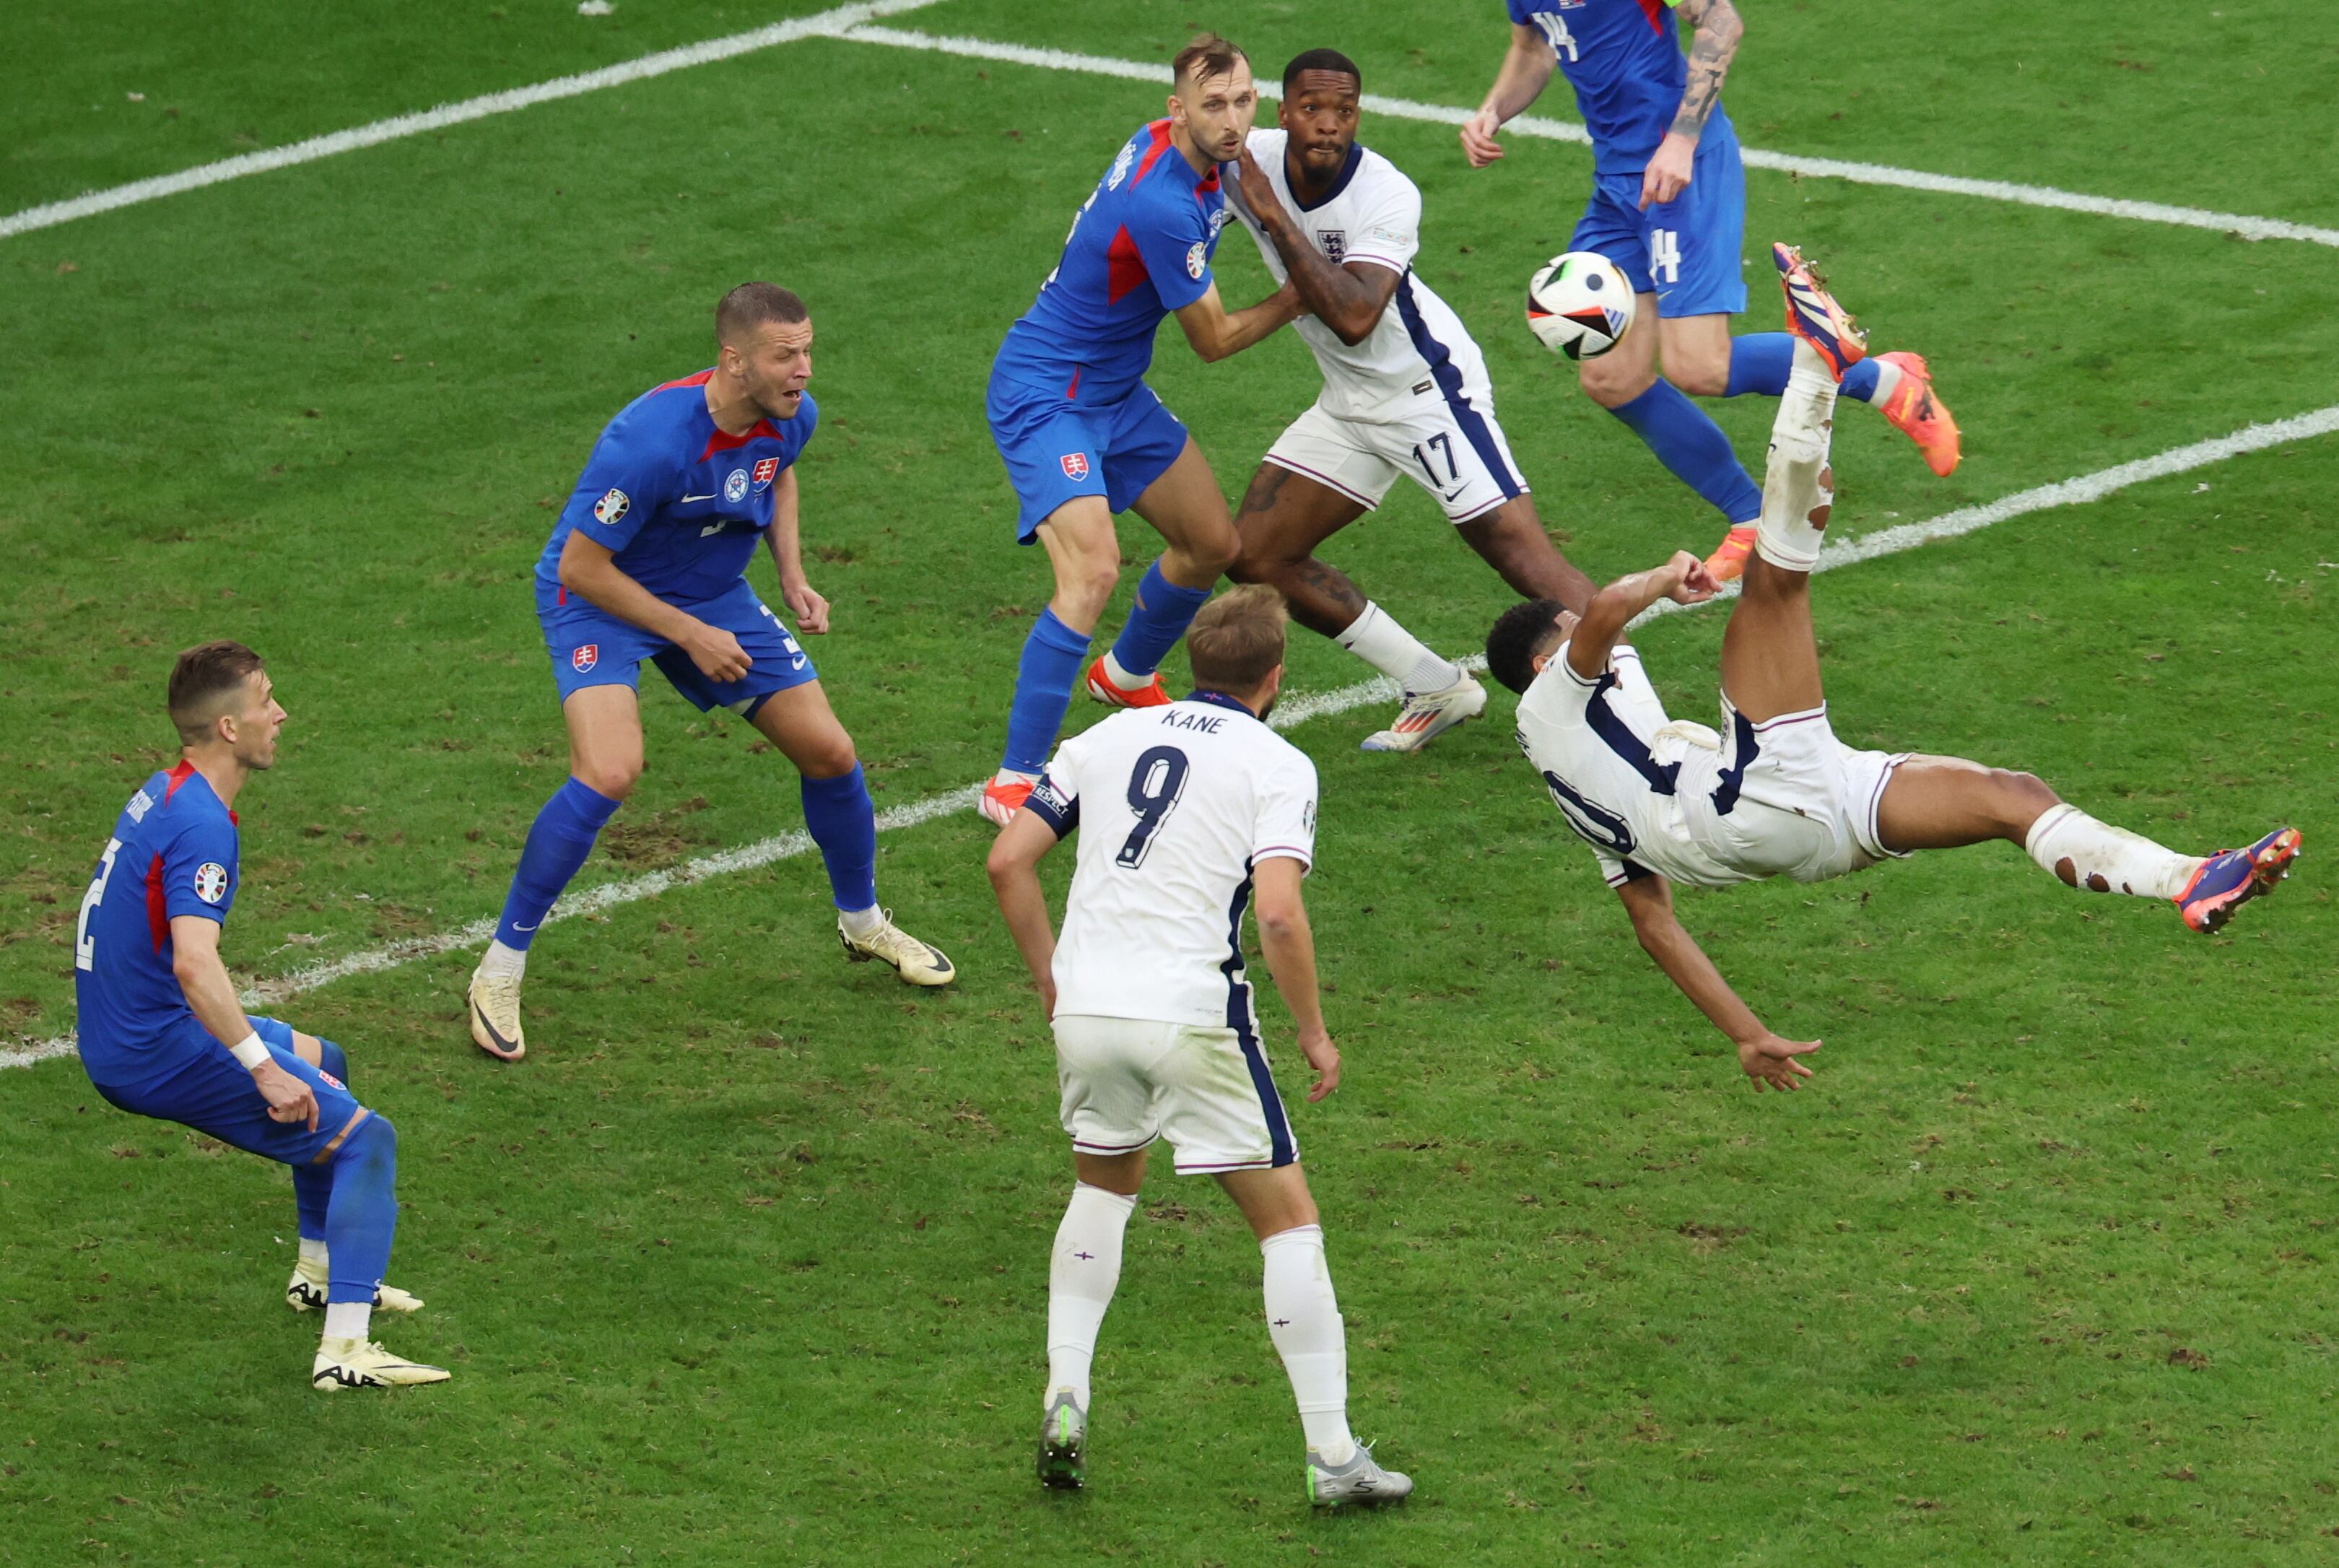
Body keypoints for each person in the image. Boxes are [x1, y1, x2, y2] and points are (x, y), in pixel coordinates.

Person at [1484, 266, 2299, 1088]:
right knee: (1776, 576)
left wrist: (1746, 1033)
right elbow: (1601, 616)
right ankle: (1817, 365)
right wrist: (1659, 581)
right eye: (1573, 638)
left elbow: (1654, 926)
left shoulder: (1577, 786)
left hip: (1802, 830)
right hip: (1745, 802)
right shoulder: (1555, 698)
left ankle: (2190, 880)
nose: (1610, 651)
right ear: (1546, 662)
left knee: (2011, 798)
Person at [985, 586, 1411, 1506]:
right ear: (1275, 677)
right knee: (1287, 1221)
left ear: (1187, 665)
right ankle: (1335, 1458)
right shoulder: (1279, 764)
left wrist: (1052, 978)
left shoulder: (1100, 742)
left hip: (1090, 1011)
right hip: (1191, 1015)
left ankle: (1067, 1392)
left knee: (1103, 1187)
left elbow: (1006, 860)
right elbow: (1281, 915)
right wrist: (1312, 1030)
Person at [466, 282, 953, 1062]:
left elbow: (779, 472)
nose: (804, 369)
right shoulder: (651, 442)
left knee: (830, 753)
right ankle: (500, 968)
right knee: (610, 771)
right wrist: (689, 634)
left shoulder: (792, 415)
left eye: (808, 350)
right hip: (599, 600)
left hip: (709, 592)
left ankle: (864, 926)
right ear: (734, 361)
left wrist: (791, 573)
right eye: (785, 355)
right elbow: (582, 567)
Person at [1460, 0, 1959, 580]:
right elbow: (1532, 47)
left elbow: (1722, 21)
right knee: (1610, 376)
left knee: (1700, 366)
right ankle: (1751, 515)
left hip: (1684, 167)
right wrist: (1491, 111)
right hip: (1618, 181)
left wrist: (1681, 139)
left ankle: (1891, 384)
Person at [72, 643, 445, 1390]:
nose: (281, 714)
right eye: (266, 701)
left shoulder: (165, 790)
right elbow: (194, 961)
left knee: (326, 1062)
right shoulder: (203, 828)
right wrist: (262, 1068)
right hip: (154, 1046)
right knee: (366, 1140)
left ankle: (319, 1273)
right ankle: (345, 1354)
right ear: (229, 730)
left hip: (134, 1023)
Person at [1222, 48, 1597, 753]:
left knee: (1521, 558)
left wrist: (1271, 214)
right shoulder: (1250, 156)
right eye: (1312, 109)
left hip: (1427, 391)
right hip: (1349, 398)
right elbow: (1171, 148)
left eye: (1344, 111)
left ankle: (1636, 704)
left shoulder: (1386, 193)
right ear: (1283, 112)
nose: (1329, 125)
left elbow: (1357, 315)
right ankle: (1434, 684)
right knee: (1255, 554)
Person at [980, 33, 1303, 825]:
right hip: (1046, 394)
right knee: (1091, 573)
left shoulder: (1166, 142)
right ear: (1177, 110)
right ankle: (1014, 780)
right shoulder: (1163, 204)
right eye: (1213, 106)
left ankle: (1125, 676)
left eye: (1243, 101)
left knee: (1211, 546)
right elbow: (1215, 340)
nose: (1233, 122)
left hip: (1113, 390)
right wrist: (1310, 289)